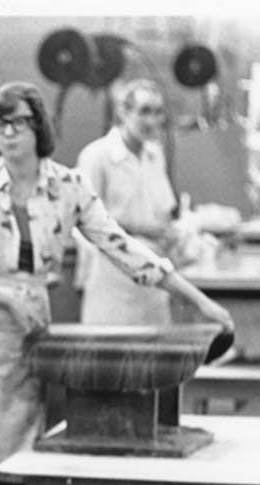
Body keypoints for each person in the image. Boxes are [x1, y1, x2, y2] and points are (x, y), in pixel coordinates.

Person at [0, 81, 232, 485]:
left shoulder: (67, 187)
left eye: (19, 122)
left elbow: (125, 249)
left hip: (24, 353)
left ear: (39, 127)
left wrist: (200, 302)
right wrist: (3, 296)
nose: (8, 133)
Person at [75, 78, 182, 325]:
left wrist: (173, 235)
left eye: (158, 112)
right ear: (123, 112)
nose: (152, 121)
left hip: (153, 280)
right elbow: (85, 220)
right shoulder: (97, 156)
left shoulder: (155, 155)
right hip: (111, 281)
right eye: (144, 111)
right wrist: (143, 229)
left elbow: (163, 210)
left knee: (156, 346)